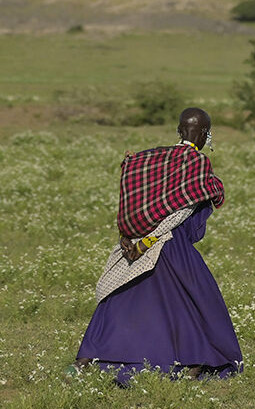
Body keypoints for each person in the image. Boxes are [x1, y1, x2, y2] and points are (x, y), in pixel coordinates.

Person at [76, 107, 243, 383]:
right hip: (170, 244)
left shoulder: (149, 158)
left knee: (119, 298)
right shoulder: (197, 163)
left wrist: (131, 239)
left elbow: (131, 197)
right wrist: (150, 241)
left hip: (137, 242)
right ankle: (195, 361)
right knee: (194, 301)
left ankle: (87, 357)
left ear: (179, 131)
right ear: (204, 134)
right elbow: (182, 212)